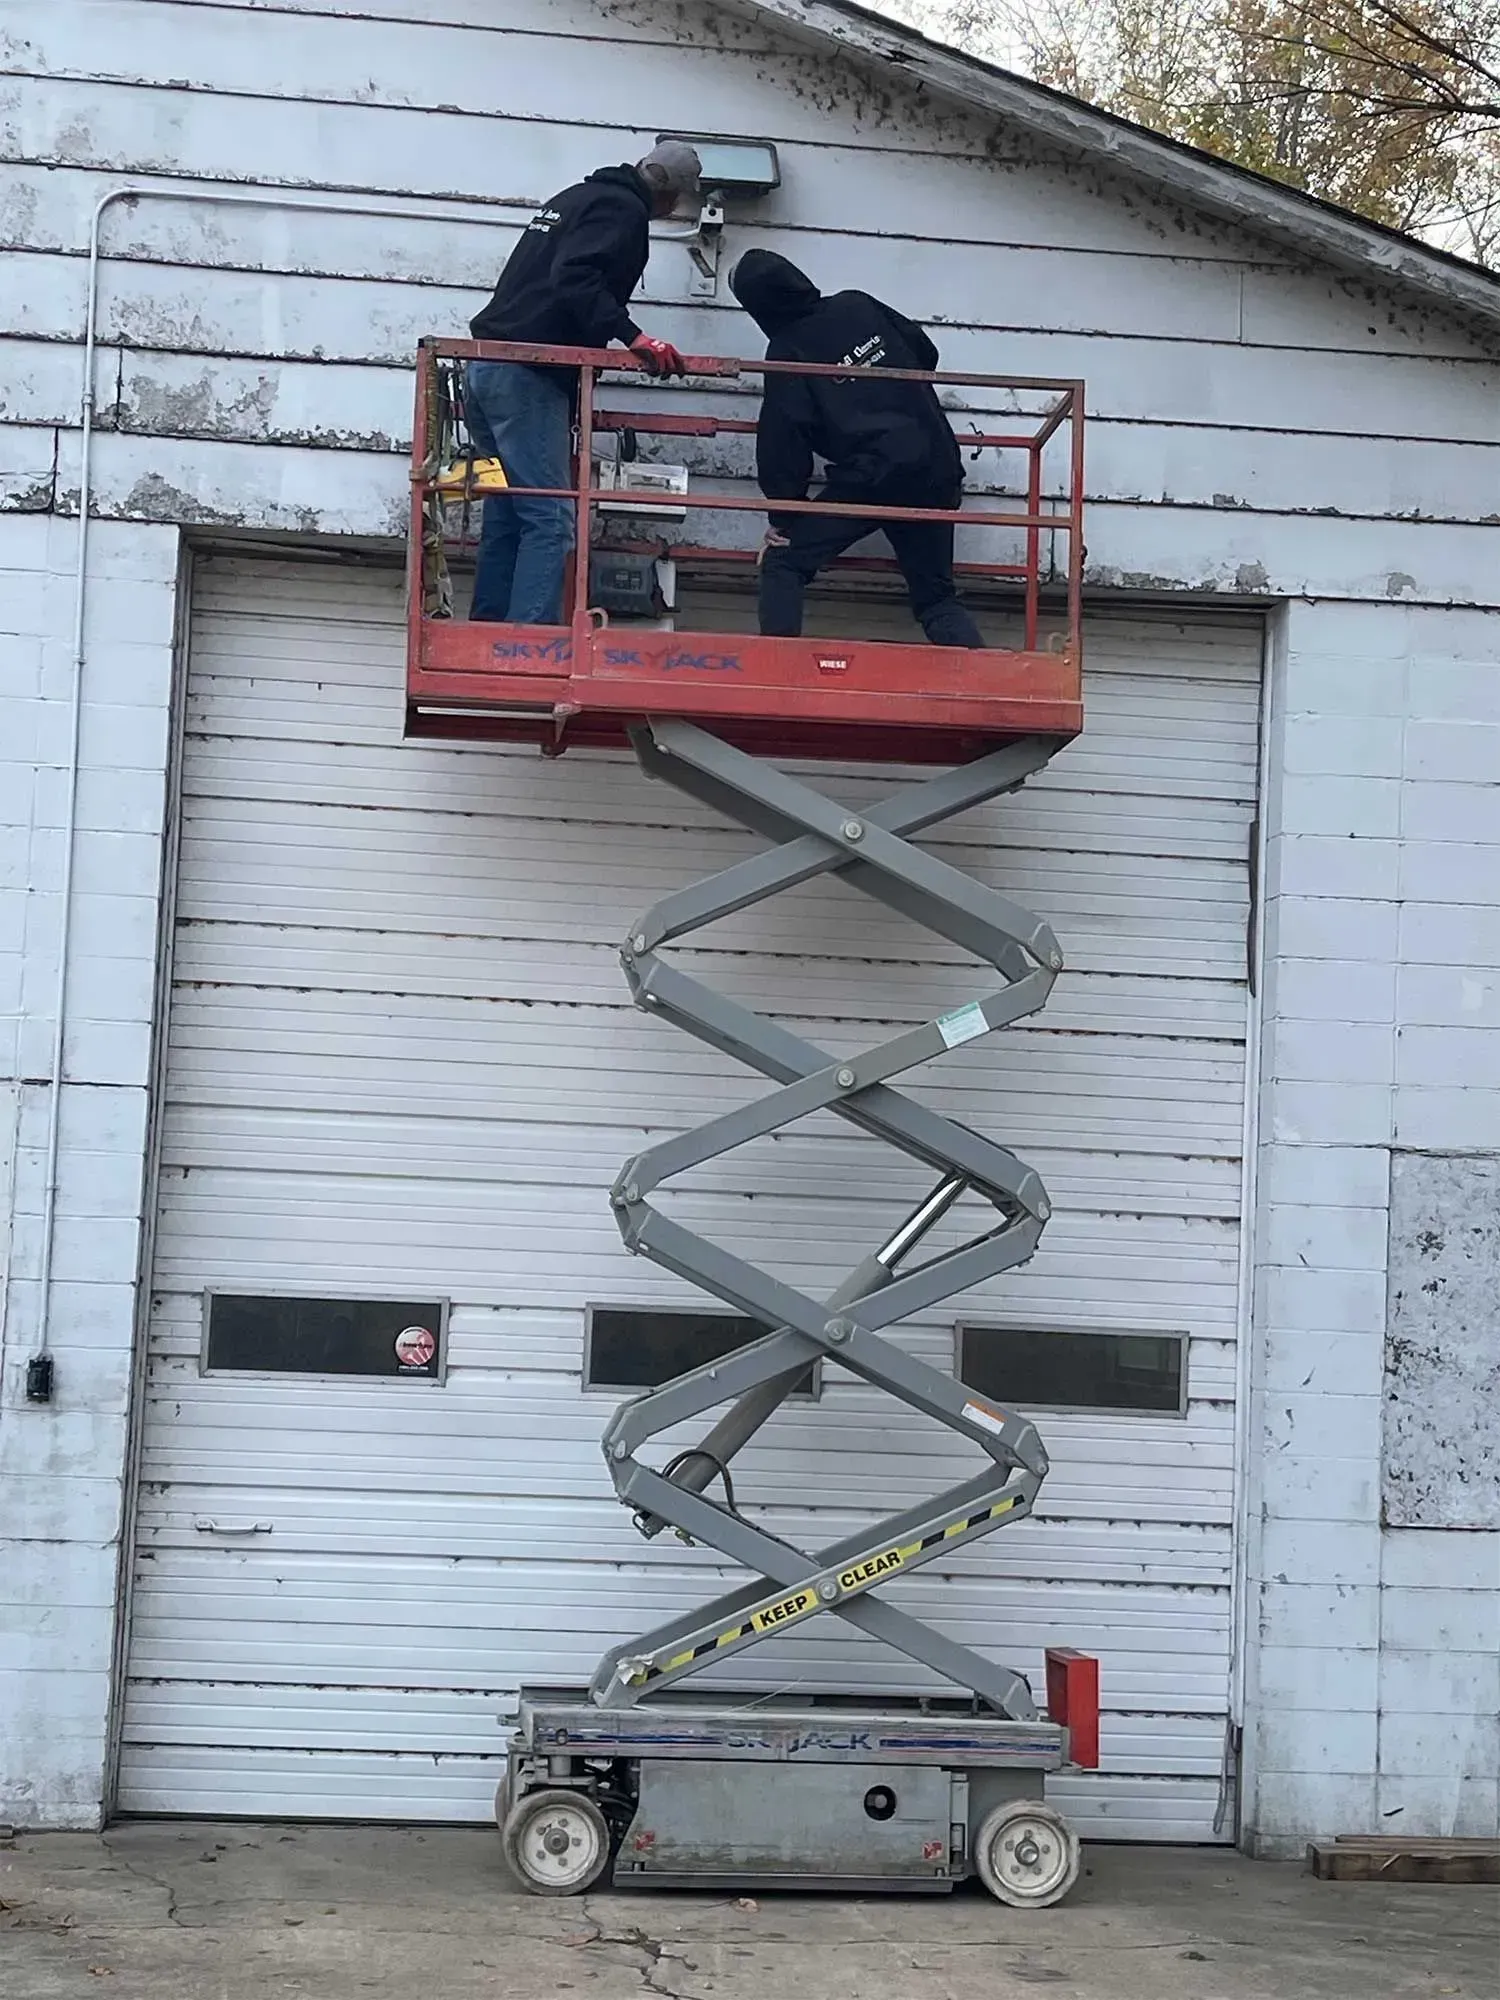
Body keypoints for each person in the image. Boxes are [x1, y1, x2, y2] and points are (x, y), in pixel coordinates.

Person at [465, 141, 702, 624]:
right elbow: (575, 277)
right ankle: (525, 645)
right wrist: (636, 338)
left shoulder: (574, 197)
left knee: (509, 514)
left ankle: (489, 632)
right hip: (526, 375)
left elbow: (558, 275)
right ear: (669, 194)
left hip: (486, 367)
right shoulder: (622, 211)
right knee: (551, 521)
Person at [728, 249, 986, 649]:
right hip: (936, 467)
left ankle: (777, 678)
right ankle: (985, 691)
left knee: (784, 563)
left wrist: (785, 515)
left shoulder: (787, 350)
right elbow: (925, 352)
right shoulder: (857, 303)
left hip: (874, 477)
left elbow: (784, 444)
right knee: (936, 600)